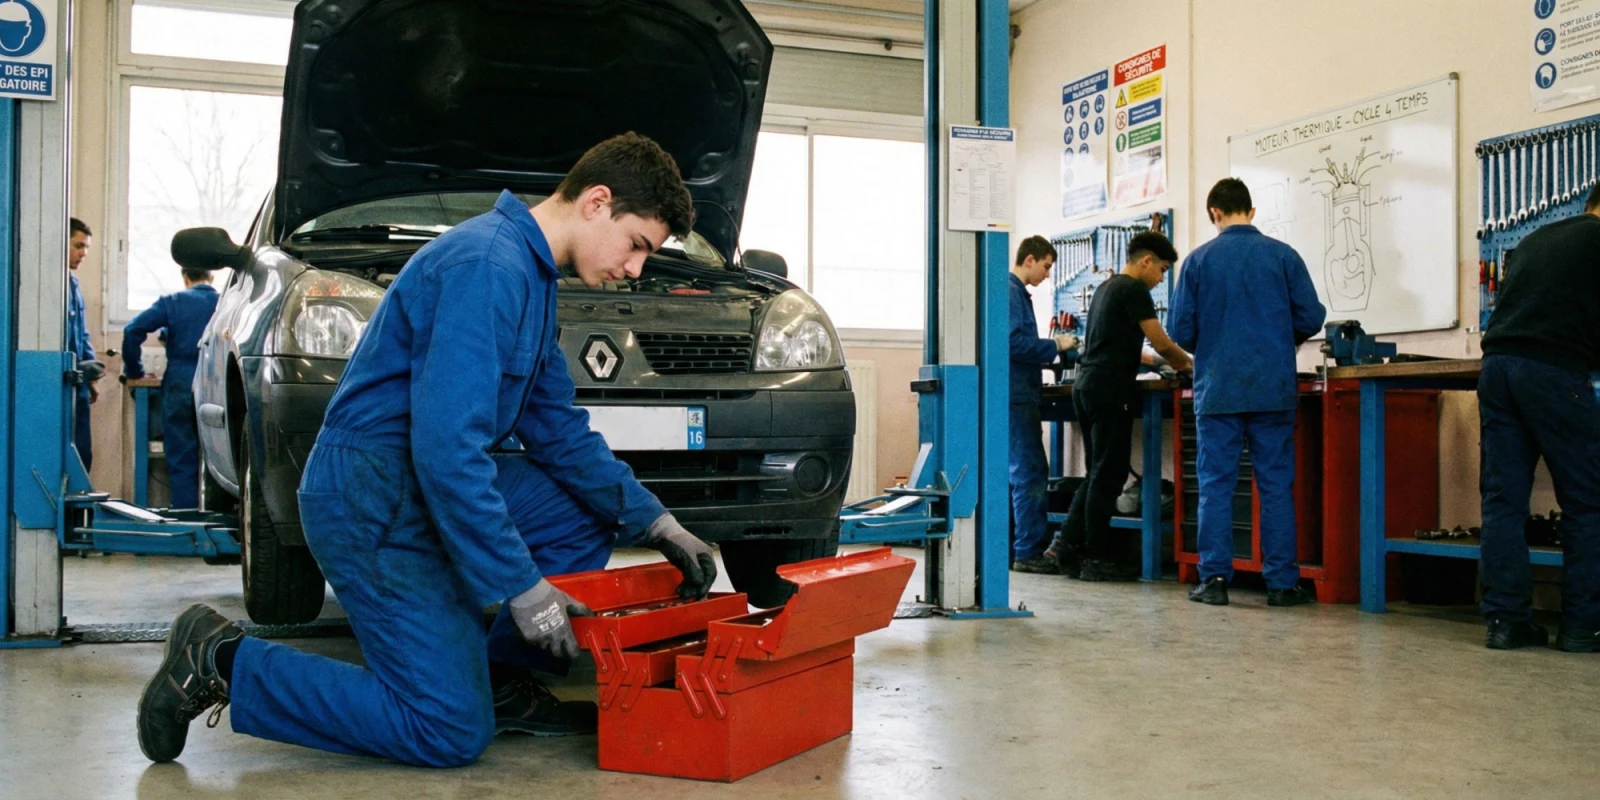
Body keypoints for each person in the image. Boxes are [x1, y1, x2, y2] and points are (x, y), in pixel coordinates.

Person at [135, 132, 720, 767]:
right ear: (597, 202)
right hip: (371, 500)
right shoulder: (486, 267)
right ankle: (220, 658)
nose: (635, 270)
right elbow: (447, 453)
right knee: (447, 730)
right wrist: (522, 587)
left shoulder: (531, 278)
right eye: (637, 245)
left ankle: (496, 683)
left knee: (584, 507)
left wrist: (657, 522)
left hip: (408, 484)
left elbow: (558, 429)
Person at [1168, 178, 1326, 607]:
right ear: (1252, 211)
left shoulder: (1198, 261)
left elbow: (1180, 329)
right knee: (1275, 485)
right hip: (1272, 388)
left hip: (1218, 388)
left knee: (1216, 485)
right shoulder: (1283, 255)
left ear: (1214, 213)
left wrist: (1213, 345)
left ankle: (1215, 580)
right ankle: (1282, 585)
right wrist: (1278, 339)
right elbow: (1311, 317)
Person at [1474, 183, 1600, 652]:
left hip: (1497, 369)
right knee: (1587, 501)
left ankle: (1506, 623)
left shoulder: (1536, 238)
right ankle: (1582, 627)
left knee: (1503, 501)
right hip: (1551, 370)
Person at [1046, 232, 1191, 581]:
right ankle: (1096, 559)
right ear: (1146, 260)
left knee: (1098, 472)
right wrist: (1189, 365)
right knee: (1109, 475)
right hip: (1110, 389)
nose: (1161, 279)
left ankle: (1065, 546)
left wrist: (1159, 362)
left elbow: (1127, 347)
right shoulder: (1134, 289)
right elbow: (1161, 342)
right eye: (1162, 269)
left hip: (1087, 386)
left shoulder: (1106, 288)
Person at [120, 266, 220, 509]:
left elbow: (132, 329)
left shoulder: (173, 302)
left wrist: (134, 371)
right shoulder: (225, 302)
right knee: (221, 458)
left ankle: (185, 518)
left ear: (185, 277)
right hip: (216, 384)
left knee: (181, 456)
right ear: (212, 277)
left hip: (180, 384)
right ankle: (220, 519)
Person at [1009, 235, 1079, 574]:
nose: (1048, 275)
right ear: (1030, 259)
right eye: (1046, 267)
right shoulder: (1011, 292)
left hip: (1019, 393)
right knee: (1031, 472)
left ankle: (1018, 547)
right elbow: (1013, 343)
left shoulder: (1017, 293)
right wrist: (1055, 346)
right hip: (1017, 395)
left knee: (1022, 473)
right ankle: (1028, 551)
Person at [68, 218, 98, 468]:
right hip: (60, 380)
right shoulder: (52, 287)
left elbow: (82, 334)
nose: (84, 253)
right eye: (78, 246)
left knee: (82, 453)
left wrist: (92, 376)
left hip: (78, 381)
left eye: (86, 247)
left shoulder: (73, 286)